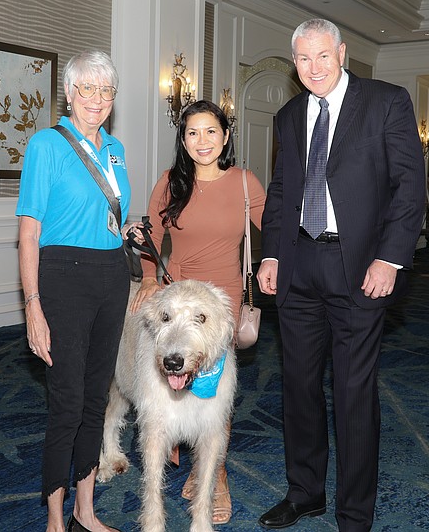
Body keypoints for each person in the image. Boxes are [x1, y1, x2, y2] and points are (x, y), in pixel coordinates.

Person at [256, 18, 426, 531]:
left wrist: (390, 258)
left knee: (353, 395)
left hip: (360, 268)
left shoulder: (387, 101)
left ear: (342, 52)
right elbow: (282, 192)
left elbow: (409, 188)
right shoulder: (288, 116)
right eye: (304, 59)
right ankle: (305, 492)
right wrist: (270, 255)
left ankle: (355, 514)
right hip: (299, 266)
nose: (314, 68)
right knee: (299, 388)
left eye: (323, 56)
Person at [129, 99, 266, 526]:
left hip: (218, 307)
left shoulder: (244, 183)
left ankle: (215, 471)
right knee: (168, 384)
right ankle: (175, 447)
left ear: (225, 136)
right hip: (176, 299)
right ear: (183, 139)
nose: (201, 141)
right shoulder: (171, 182)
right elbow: (149, 233)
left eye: (211, 132)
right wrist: (150, 277)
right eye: (192, 133)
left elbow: (277, 231)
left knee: (214, 396)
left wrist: (278, 266)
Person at [16, 50, 128, 532]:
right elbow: (28, 233)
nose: (98, 100)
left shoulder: (116, 149)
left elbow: (111, 218)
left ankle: (86, 507)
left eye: (106, 91)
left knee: (95, 399)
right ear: (70, 92)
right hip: (62, 277)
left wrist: (130, 233)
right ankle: (56, 517)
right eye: (88, 89)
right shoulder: (47, 145)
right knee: (66, 400)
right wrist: (32, 307)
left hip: (112, 275)